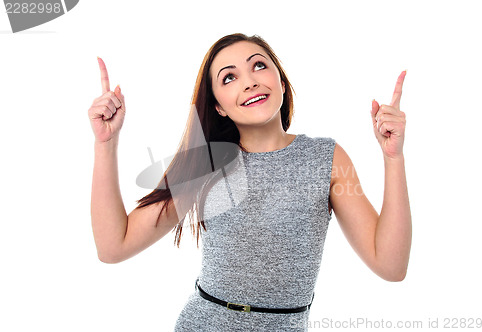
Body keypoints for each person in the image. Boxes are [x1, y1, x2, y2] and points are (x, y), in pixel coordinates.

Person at [88, 33, 412, 331]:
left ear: (282, 84)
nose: (250, 82)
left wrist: (393, 158)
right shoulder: (208, 162)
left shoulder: (325, 158)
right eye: (229, 77)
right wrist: (106, 144)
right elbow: (114, 246)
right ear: (218, 106)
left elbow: (391, 266)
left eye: (259, 65)